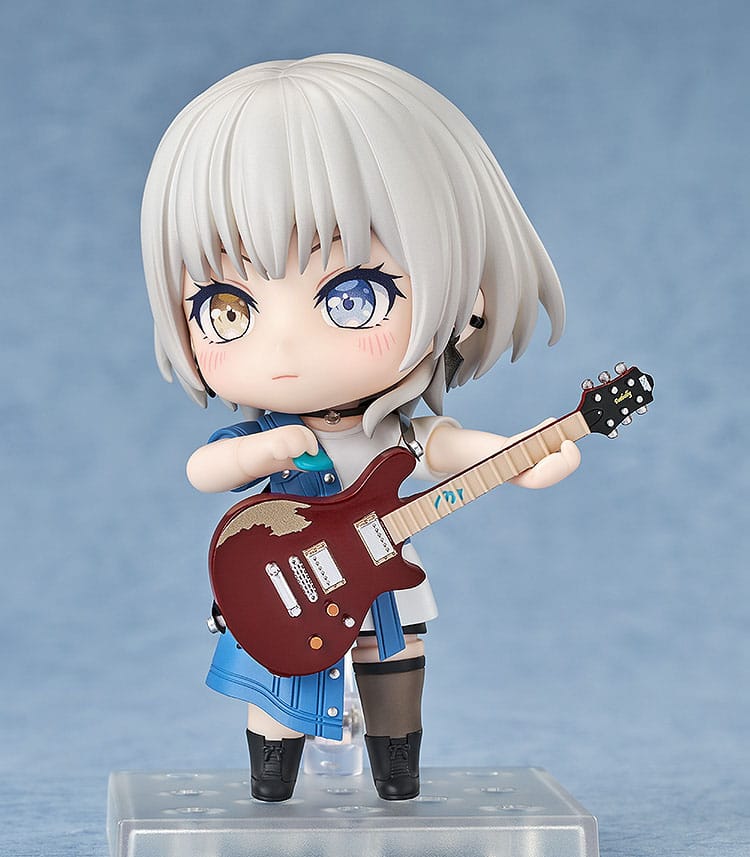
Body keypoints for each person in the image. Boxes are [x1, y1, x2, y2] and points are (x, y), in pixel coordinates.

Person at [141, 54, 580, 802]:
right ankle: (270, 775)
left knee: (394, 656)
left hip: (378, 575)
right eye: (228, 308)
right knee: (274, 669)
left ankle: (397, 770)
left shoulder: (395, 436)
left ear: (467, 300)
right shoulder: (272, 431)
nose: (284, 349)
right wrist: (265, 448)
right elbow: (205, 470)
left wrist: (525, 453)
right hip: (285, 575)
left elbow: (452, 449)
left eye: (352, 296)